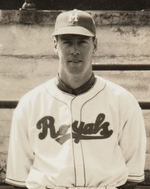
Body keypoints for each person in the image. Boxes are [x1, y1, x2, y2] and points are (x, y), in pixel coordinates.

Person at [5, 9, 146, 189]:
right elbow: (19, 176)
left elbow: (133, 174)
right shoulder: (30, 104)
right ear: (55, 45)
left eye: (82, 42)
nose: (75, 50)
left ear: (95, 45)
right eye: (67, 42)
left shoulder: (123, 101)